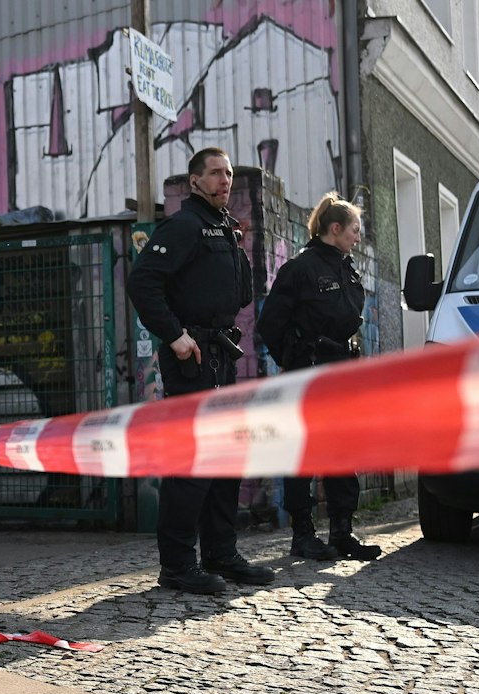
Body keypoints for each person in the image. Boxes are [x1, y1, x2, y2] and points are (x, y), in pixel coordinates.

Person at [127, 147, 275, 594]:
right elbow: (142, 282)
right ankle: (177, 565)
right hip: (192, 358)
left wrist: (238, 244)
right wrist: (174, 335)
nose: (224, 180)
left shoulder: (224, 227)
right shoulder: (185, 224)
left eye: (228, 173)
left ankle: (220, 553)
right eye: (214, 173)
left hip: (219, 355)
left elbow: (243, 295)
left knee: (225, 457)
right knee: (191, 463)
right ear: (195, 181)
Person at [255, 192, 384, 562]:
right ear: (335, 228)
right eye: (355, 230)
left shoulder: (347, 267)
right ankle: (303, 534)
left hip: (341, 373)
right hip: (308, 373)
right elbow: (270, 323)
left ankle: (342, 531)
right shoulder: (300, 268)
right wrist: (294, 361)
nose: (358, 237)